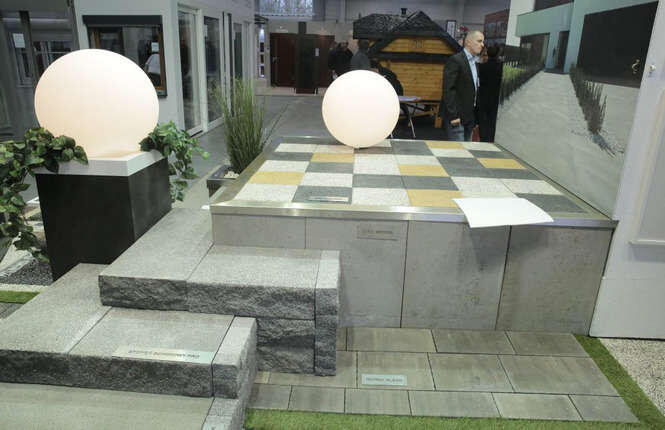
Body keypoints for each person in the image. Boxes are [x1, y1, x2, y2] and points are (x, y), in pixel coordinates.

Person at [439, 30, 484, 141]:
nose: (482, 45)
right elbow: (448, 89)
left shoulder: (475, 63)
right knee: (457, 150)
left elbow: (474, 89)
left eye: (483, 42)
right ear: (468, 42)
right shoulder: (455, 60)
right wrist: (453, 116)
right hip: (457, 118)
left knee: (466, 150)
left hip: (470, 118)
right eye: (479, 41)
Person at [477, 45, 503, 142]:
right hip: (495, 98)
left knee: (483, 121)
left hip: (483, 97)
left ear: (487, 53)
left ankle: (483, 139)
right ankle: (491, 140)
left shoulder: (481, 67)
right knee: (492, 121)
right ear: (498, 54)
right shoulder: (501, 67)